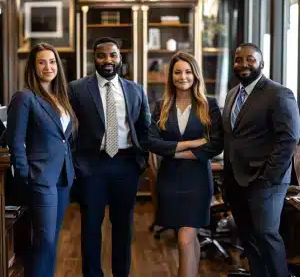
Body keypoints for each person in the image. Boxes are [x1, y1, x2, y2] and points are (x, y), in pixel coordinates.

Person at [68, 37, 150, 277]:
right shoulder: (77, 88)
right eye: (102, 55)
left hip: (126, 165)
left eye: (112, 55)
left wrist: (140, 161)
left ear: (120, 58)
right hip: (92, 166)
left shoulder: (135, 90)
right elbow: (68, 128)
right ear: (94, 58)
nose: (108, 60)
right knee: (91, 226)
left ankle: (121, 273)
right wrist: (77, 164)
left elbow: (144, 128)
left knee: (123, 227)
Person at [222, 42, 300, 277]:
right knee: (248, 237)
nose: (243, 64)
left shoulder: (278, 93)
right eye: (238, 60)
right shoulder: (232, 94)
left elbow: (289, 139)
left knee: (266, 235)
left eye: (250, 59)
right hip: (236, 181)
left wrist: (269, 178)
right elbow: (231, 138)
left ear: (261, 64)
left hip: (265, 182)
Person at [147, 51, 223, 277]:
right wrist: (190, 143)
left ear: (196, 75)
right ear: (171, 76)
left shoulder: (208, 105)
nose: (183, 77)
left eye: (188, 72)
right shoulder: (162, 105)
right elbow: (152, 142)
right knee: (188, 240)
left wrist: (175, 151)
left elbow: (215, 144)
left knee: (184, 240)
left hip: (197, 181)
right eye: (178, 72)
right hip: (170, 182)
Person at [6, 42, 77, 277]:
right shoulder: (25, 97)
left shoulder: (60, 97)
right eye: (42, 62)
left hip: (63, 177)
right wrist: (26, 175)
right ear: (33, 67)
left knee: (52, 240)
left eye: (52, 61)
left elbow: (64, 138)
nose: (48, 66)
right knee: (43, 241)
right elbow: (15, 141)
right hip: (41, 178)